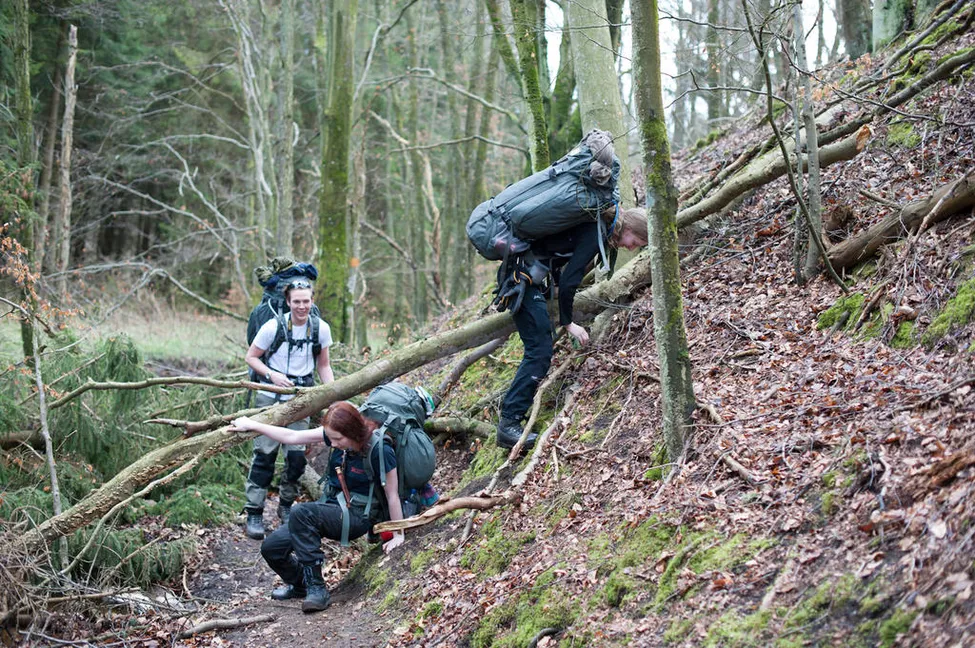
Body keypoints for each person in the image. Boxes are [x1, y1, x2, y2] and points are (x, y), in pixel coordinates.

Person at [496, 207, 649, 449]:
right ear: (628, 229)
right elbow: (570, 282)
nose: (631, 247)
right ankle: (508, 425)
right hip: (521, 278)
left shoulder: (594, 227)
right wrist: (568, 324)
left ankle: (514, 417)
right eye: (635, 241)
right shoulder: (594, 232)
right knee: (540, 351)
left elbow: (557, 254)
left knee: (540, 349)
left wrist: (554, 287)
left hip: (527, 275)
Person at [231, 401, 405, 613]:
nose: (332, 444)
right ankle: (301, 585)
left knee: (301, 512)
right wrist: (252, 424)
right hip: (331, 506)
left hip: (358, 516)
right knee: (272, 548)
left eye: (337, 439)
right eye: (329, 438)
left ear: (353, 432)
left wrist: (398, 534)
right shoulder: (337, 437)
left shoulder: (379, 449)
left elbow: (392, 494)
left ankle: (318, 590)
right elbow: (292, 437)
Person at [243, 277, 334, 540]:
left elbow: (324, 366)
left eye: (306, 301)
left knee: (295, 457)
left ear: (312, 300)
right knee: (264, 454)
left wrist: (334, 394)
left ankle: (285, 507)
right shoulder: (273, 327)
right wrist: (271, 375)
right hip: (270, 395)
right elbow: (251, 357)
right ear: (288, 302)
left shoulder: (321, 329)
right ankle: (254, 511)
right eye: (297, 301)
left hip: (301, 397)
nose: (302, 306)